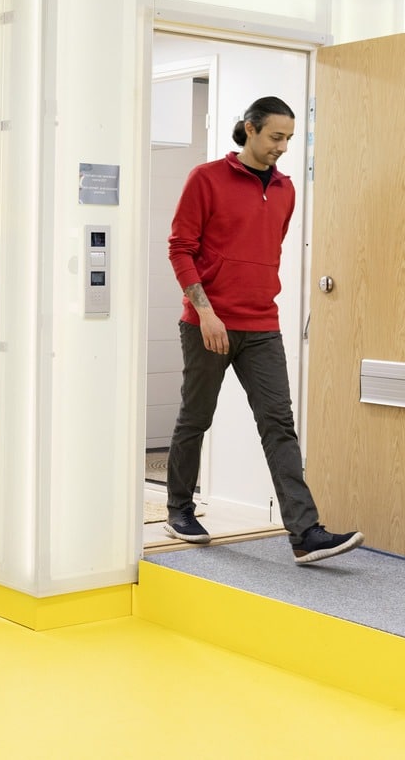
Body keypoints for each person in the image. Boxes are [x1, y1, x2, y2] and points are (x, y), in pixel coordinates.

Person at [165, 96, 363, 565]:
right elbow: (180, 249)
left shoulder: (286, 190)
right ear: (250, 129)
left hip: (261, 324)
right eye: (276, 137)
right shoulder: (206, 178)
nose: (282, 147)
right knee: (196, 418)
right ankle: (179, 510)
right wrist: (207, 312)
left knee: (279, 425)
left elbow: (266, 251)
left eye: (289, 139)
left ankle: (305, 532)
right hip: (207, 323)